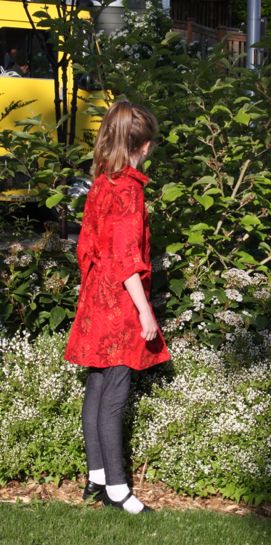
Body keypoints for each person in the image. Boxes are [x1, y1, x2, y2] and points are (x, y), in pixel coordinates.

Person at [64, 99, 171, 514]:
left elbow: (88, 248)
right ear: (143, 146)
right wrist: (146, 311)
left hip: (96, 298)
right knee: (114, 397)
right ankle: (117, 490)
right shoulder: (128, 190)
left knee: (96, 389)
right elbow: (127, 259)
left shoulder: (101, 184)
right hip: (121, 304)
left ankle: (95, 478)